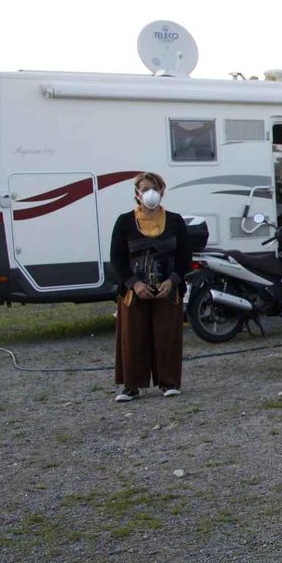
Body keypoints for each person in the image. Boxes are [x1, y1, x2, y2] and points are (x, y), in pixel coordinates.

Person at [109, 171, 192, 401]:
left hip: (167, 289)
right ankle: (131, 386)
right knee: (133, 337)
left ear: (162, 191)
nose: (150, 193)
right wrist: (134, 284)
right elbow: (117, 258)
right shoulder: (124, 222)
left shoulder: (175, 221)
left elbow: (185, 256)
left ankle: (169, 383)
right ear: (137, 193)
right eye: (145, 189)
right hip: (134, 293)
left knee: (167, 336)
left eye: (154, 188)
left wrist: (172, 280)